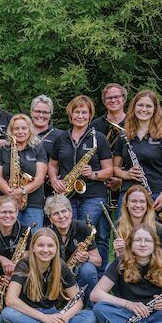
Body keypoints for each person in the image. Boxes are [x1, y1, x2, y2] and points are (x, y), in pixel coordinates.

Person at [49, 94, 113, 273]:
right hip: (66, 194)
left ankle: (96, 274)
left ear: (90, 115)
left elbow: (109, 170)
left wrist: (93, 174)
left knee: (89, 233)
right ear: (71, 114)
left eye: (84, 112)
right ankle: (68, 273)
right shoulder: (61, 138)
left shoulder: (99, 138)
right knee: (67, 232)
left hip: (93, 194)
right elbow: (52, 164)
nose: (80, 116)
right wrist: (54, 180)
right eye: (76, 112)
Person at [1, 227, 96, 323]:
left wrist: (65, 317)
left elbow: (78, 302)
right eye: (40, 245)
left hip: (52, 312)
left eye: (50, 246)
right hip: (29, 313)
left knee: (89, 316)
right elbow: (11, 300)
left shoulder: (61, 267)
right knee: (8, 313)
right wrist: (44, 318)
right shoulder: (23, 265)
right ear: (33, 248)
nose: (45, 250)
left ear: (56, 248)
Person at [112, 90, 162, 213]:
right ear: (134, 108)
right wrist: (126, 174)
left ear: (155, 110)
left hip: (155, 193)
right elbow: (114, 167)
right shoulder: (124, 135)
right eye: (140, 105)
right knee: (123, 226)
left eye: (148, 106)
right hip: (128, 192)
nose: (144, 109)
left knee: (152, 226)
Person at [89, 83, 127, 275]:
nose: (113, 100)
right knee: (101, 233)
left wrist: (120, 177)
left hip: (125, 182)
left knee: (123, 233)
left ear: (124, 99)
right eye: (109, 98)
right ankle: (101, 274)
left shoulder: (133, 123)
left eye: (117, 97)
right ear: (104, 101)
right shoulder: (96, 125)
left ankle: (121, 274)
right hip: (100, 183)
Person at [0, 114, 48, 228]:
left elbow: (40, 178)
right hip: (9, 203)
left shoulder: (38, 149)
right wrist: (10, 193)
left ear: (29, 130)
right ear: (11, 131)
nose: (20, 132)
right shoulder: (4, 150)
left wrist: (22, 191)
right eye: (16, 128)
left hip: (34, 203)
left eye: (24, 128)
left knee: (33, 237)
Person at [45, 194, 101, 294]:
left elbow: (98, 261)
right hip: (55, 275)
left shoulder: (83, 228)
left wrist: (87, 257)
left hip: (77, 273)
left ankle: (90, 302)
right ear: (50, 219)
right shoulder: (46, 234)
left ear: (70, 212)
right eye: (56, 214)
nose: (61, 216)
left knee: (88, 269)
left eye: (64, 211)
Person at [113, 186, 162, 259]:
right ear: (126, 204)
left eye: (142, 201)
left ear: (147, 205)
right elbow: (118, 261)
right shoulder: (119, 226)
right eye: (133, 201)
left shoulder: (160, 230)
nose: (138, 205)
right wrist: (119, 252)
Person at [30, 94, 64, 201]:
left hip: (50, 188)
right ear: (31, 112)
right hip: (24, 186)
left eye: (45, 112)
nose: (41, 115)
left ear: (50, 114)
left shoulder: (60, 135)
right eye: (37, 111)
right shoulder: (22, 132)